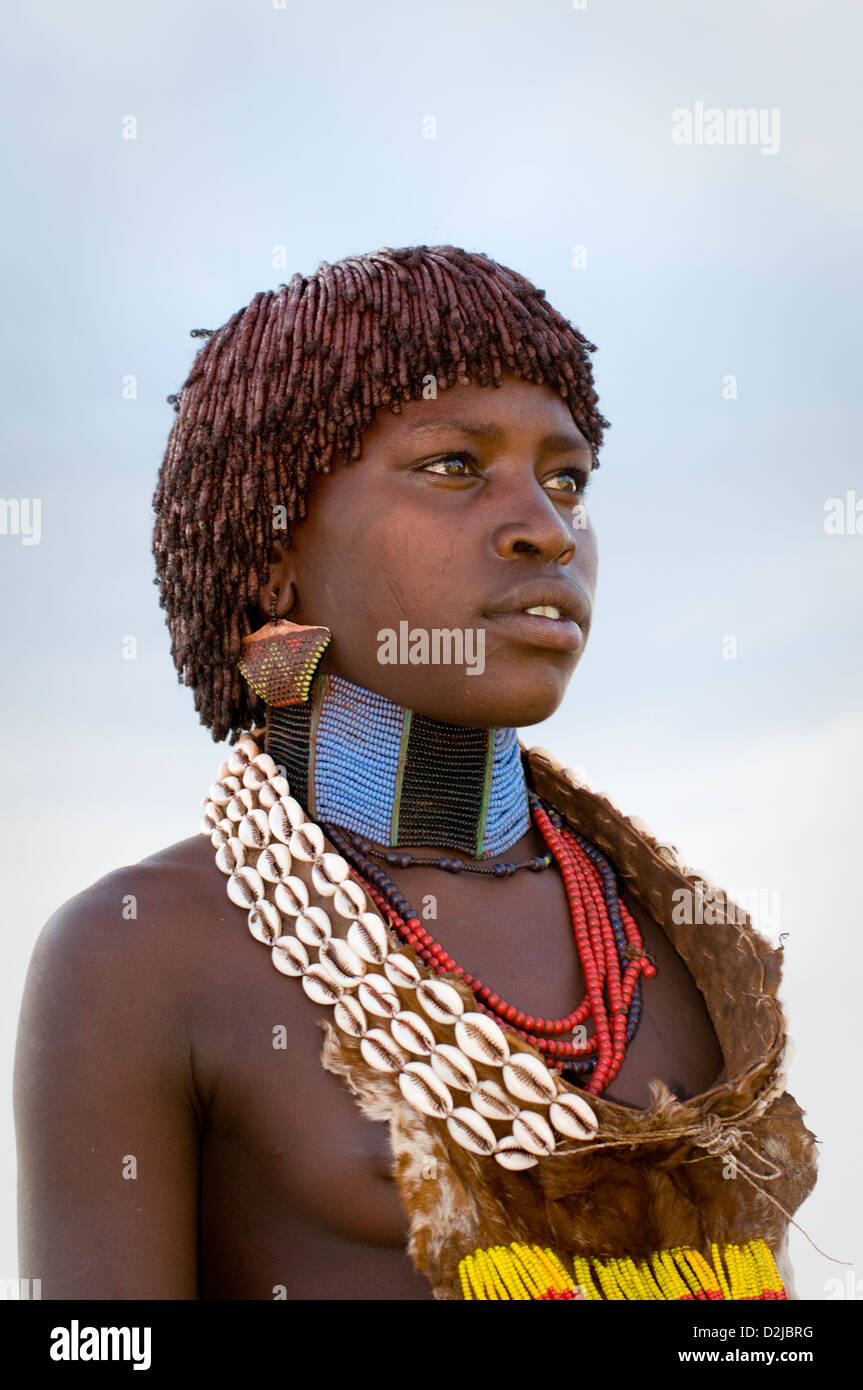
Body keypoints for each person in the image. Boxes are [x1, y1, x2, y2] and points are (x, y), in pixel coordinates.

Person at [14, 245, 817, 1301]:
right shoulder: (142, 953)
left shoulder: (674, 941)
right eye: (453, 467)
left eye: (567, 477)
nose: (544, 526)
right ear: (271, 554)